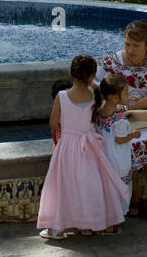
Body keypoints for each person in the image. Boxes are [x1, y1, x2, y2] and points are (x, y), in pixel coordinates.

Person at [38, 55, 130, 239]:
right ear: (91, 76)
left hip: (67, 147)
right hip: (90, 146)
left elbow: (54, 123)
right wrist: (92, 84)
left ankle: (57, 228)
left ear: (72, 73)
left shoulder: (61, 97)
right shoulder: (94, 96)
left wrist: (66, 132)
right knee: (90, 185)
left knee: (65, 186)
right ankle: (89, 225)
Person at [101, 19, 147, 222]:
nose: (130, 50)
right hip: (119, 122)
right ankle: (134, 196)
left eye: (136, 46)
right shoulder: (111, 63)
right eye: (127, 44)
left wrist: (126, 108)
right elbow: (98, 93)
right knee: (125, 143)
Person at [93, 73, 141, 201]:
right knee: (120, 187)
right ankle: (118, 214)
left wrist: (123, 107)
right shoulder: (119, 120)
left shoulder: (98, 111)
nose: (128, 95)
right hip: (117, 159)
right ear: (115, 97)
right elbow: (119, 140)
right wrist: (133, 135)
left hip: (103, 157)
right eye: (126, 93)